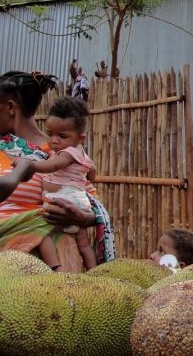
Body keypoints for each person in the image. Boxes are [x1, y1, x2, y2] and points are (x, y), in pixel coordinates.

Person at [0, 71, 113, 271]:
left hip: (46, 257)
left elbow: (91, 208)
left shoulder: (62, 154)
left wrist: (77, 217)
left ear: (10, 108)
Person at [20, 97, 98, 270]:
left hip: (64, 199)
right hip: (76, 201)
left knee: (40, 230)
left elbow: (53, 166)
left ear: (81, 139)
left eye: (62, 136)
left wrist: (30, 165)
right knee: (83, 243)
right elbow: (92, 170)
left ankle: (56, 266)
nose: (54, 140)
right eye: (50, 134)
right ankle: (94, 271)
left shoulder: (68, 153)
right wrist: (90, 175)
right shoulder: (78, 153)